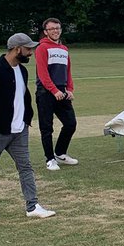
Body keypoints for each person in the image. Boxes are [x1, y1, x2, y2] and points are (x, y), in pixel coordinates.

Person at [0, 33, 56, 220]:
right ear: (17, 49)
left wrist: (25, 120)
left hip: (19, 130)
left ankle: (32, 206)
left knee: (26, 167)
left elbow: (22, 97)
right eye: (28, 49)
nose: (30, 52)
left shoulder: (22, 70)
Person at [34, 17, 79, 172]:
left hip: (62, 92)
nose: (56, 31)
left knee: (71, 124)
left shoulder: (64, 49)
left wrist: (70, 89)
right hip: (46, 92)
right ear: (46, 31)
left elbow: (68, 71)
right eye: (52, 29)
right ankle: (50, 159)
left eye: (58, 28)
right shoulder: (41, 48)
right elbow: (42, 73)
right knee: (47, 128)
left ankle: (60, 153)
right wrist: (54, 90)